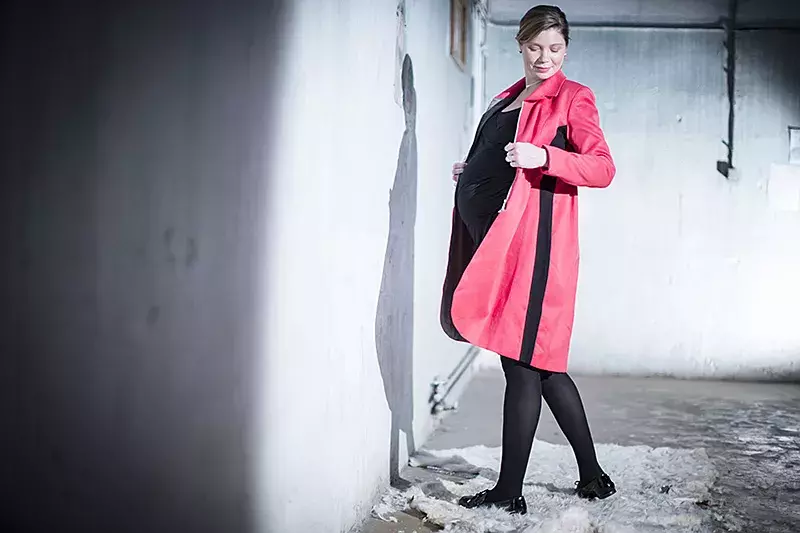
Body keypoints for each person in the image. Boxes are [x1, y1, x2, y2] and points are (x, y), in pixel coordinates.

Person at [440, 5, 617, 515]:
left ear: (566, 49)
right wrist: (474, 170)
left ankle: (508, 492)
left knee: (521, 363)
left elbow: (602, 168)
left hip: (534, 249)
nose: (545, 57)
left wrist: (546, 158)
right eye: (536, 47)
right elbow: (502, 157)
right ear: (520, 44)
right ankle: (592, 477)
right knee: (541, 366)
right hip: (495, 240)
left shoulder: (573, 97)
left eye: (555, 48)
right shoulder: (506, 98)